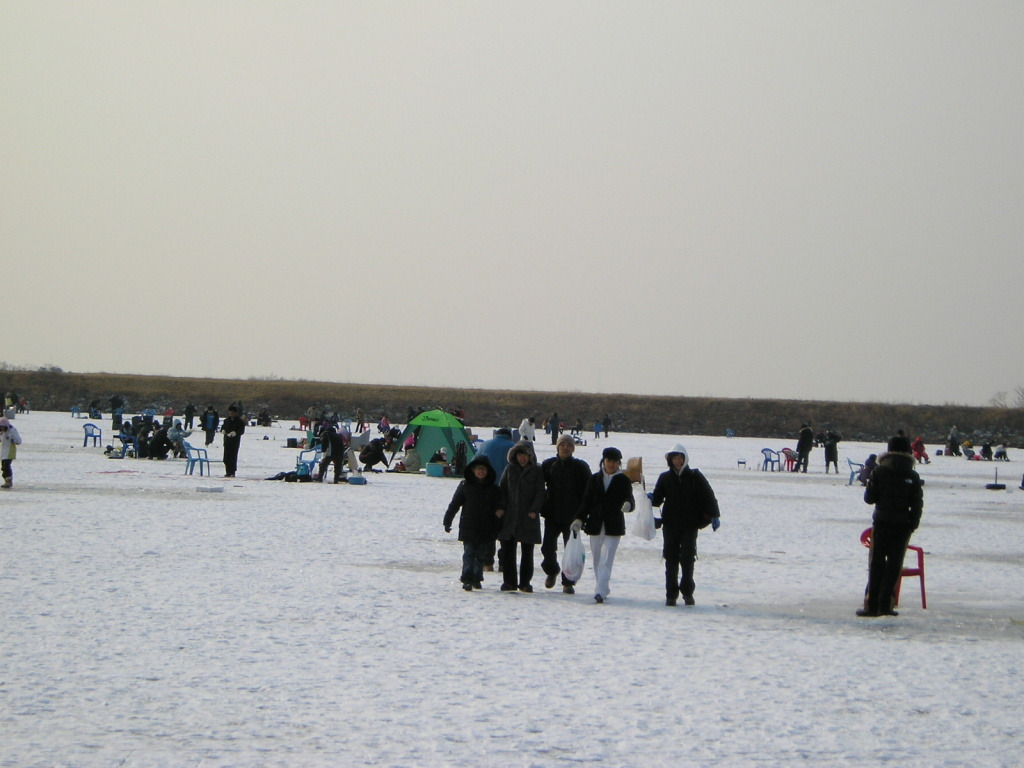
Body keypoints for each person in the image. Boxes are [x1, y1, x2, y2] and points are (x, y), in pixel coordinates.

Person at [857, 435, 924, 617]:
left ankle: (871, 605)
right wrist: (912, 524)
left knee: (876, 564)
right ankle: (886, 605)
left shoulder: (879, 471)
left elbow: (869, 498)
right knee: (894, 565)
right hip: (902, 526)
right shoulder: (912, 475)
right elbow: (917, 504)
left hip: (881, 523)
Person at [650, 444, 720, 606]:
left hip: (690, 525)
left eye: (680, 458)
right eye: (675, 458)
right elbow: (658, 499)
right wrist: (650, 498)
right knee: (671, 559)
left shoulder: (695, 476)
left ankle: (688, 592)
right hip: (670, 525)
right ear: (670, 460)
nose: (678, 461)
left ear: (685, 459)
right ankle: (671, 595)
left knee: (688, 559)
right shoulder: (665, 478)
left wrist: (714, 515)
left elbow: (708, 496)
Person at [571, 446, 635, 603]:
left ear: (618, 464)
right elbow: (586, 502)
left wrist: (628, 505)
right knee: (597, 558)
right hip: (595, 523)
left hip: (614, 525)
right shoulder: (594, 479)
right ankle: (603, 587)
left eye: (614, 462)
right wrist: (579, 518)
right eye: (608, 461)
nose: (611, 465)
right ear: (603, 461)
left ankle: (599, 590)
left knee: (606, 559)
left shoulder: (623, 480)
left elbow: (630, 499)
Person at [540, 433, 592, 594]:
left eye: (569, 445)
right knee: (547, 547)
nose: (566, 447)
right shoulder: (548, 465)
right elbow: (536, 486)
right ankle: (552, 570)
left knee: (571, 551)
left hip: (573, 516)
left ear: (573, 448)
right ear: (558, 447)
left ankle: (567, 582)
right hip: (552, 513)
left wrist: (584, 514)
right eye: (563, 444)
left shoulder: (580, 467)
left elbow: (589, 491)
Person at [443, 456, 502, 591]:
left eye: (483, 469)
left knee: (480, 554)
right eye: (478, 469)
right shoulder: (465, 486)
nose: (481, 472)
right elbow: (455, 504)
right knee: (469, 553)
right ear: (473, 470)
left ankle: (477, 577)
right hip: (468, 526)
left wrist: (498, 526)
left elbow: (498, 508)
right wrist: (448, 520)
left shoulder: (493, 489)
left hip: (486, 527)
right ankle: (467, 578)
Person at [496, 441, 546, 592]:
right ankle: (509, 582)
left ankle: (525, 582)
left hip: (528, 516)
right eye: (520, 455)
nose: (522, 458)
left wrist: (534, 509)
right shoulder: (509, 469)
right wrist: (501, 507)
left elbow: (540, 493)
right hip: (510, 516)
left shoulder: (537, 471)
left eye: (525, 455)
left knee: (527, 551)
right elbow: (502, 489)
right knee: (508, 550)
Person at [476, 428, 516, 571]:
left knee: (489, 526)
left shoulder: (485, 445)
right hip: (507, 492)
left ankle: (487, 562)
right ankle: (504, 561)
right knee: (505, 528)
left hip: (488, 490)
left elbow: (474, 463)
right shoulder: (513, 446)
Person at [220, 405, 245, 478]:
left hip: (235, 442)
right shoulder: (226, 420)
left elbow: (241, 431)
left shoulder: (240, 421)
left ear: (236, 413)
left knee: (233, 457)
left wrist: (235, 433)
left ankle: (232, 471)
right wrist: (223, 431)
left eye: (232, 413)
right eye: (230, 413)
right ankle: (227, 471)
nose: (231, 414)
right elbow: (223, 427)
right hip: (227, 441)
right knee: (226, 458)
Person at [0, 416, 23, 489]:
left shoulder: (12, 430)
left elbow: (19, 441)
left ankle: (9, 481)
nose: (2, 429)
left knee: (6, 466)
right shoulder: (2, 432)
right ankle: (6, 480)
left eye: (2, 427)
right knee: (3, 467)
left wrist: (14, 440)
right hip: (3, 451)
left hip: (10, 451)